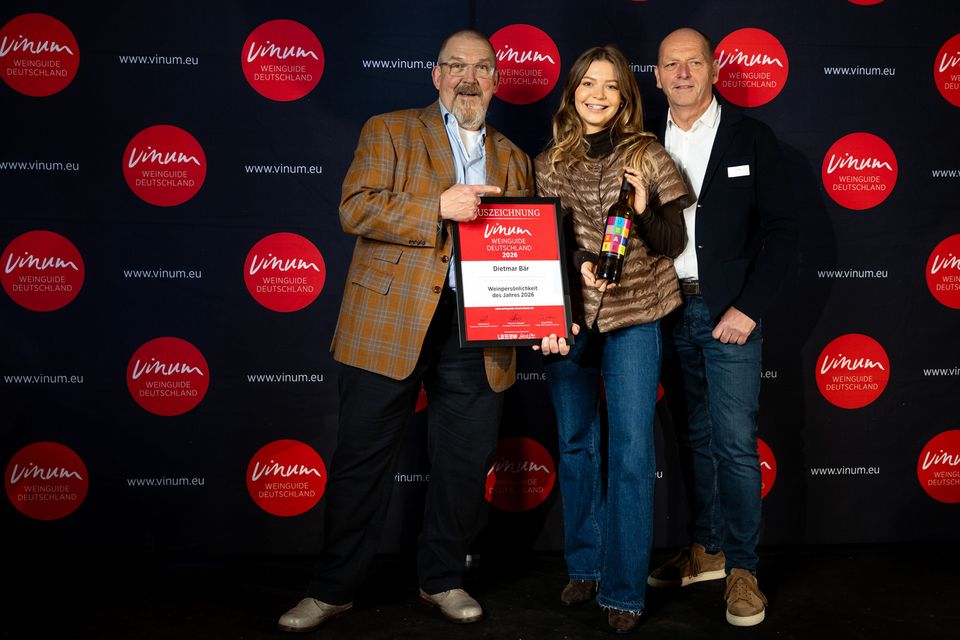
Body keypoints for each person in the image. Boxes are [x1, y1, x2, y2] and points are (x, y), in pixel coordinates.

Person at [277, 29, 572, 633]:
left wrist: (545, 316)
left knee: (464, 464)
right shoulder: (389, 130)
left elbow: (527, 250)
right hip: (389, 321)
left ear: (497, 81)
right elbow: (355, 207)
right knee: (361, 460)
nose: (469, 78)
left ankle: (442, 578)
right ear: (436, 75)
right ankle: (332, 589)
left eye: (482, 68)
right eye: (456, 66)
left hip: (480, 330)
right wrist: (437, 207)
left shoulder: (515, 157)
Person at [535, 45, 693, 634]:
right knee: (576, 442)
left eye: (610, 86)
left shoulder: (646, 153)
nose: (597, 95)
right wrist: (579, 260)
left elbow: (673, 243)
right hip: (571, 316)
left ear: (625, 97)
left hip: (636, 314)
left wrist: (645, 207)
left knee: (631, 452)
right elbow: (539, 243)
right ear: (573, 92)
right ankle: (585, 565)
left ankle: (624, 589)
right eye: (587, 84)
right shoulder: (547, 162)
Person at [645, 28, 797, 627]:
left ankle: (742, 570)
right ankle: (707, 548)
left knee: (734, 443)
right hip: (664, 310)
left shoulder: (751, 137)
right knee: (693, 438)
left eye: (693, 62)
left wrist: (749, 308)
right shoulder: (641, 140)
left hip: (730, 313)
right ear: (657, 75)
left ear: (714, 70)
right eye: (671, 64)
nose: (682, 73)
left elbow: (783, 231)